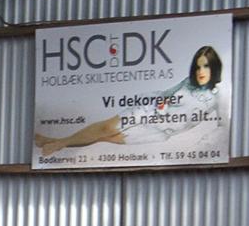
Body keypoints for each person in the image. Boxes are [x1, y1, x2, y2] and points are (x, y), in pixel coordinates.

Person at [36, 46, 226, 155]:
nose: (201, 72)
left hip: (161, 131)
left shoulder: (216, 98)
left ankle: (55, 141)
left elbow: (222, 126)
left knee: (105, 138)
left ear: (214, 68)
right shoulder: (187, 82)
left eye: (206, 67)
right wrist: (161, 102)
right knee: (106, 128)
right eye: (198, 67)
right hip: (148, 111)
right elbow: (166, 93)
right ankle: (58, 144)